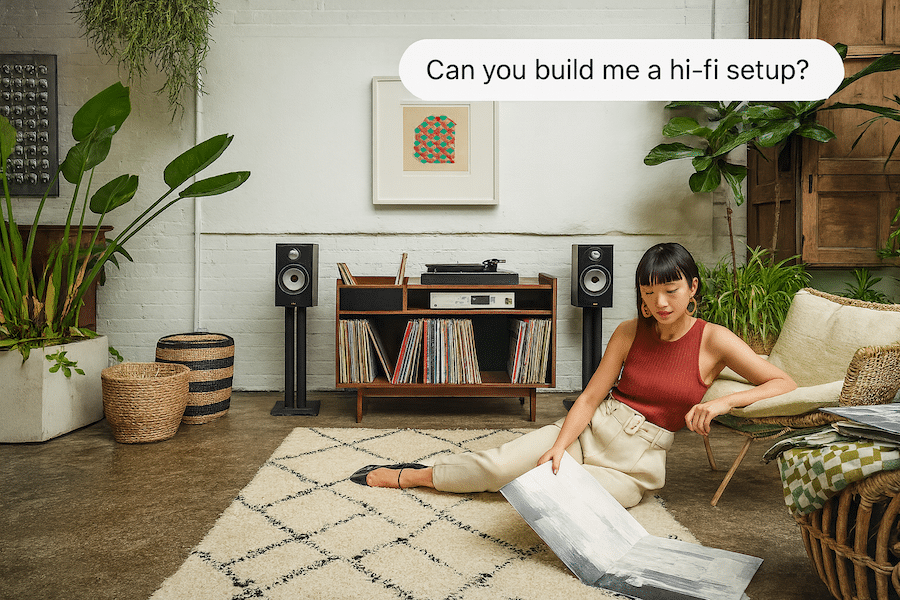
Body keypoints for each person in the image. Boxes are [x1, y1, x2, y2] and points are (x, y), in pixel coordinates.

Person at [350, 242, 797, 508]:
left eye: (671, 290)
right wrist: (559, 446)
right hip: (592, 429)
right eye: (649, 292)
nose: (660, 303)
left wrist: (721, 402)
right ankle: (415, 475)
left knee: (558, 498)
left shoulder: (714, 339)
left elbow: (782, 383)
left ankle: (524, 486)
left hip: (637, 462)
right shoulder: (628, 331)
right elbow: (588, 398)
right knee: (501, 464)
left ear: (692, 288)